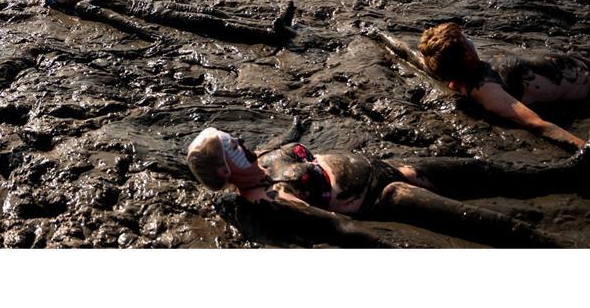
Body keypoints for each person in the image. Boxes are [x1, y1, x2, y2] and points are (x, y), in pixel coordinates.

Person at [185, 122, 589, 248]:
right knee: (482, 219)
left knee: (481, 170)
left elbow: (289, 139)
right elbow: (338, 227)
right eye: (230, 147)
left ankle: (569, 171)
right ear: (224, 172)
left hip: (390, 165)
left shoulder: (263, 160)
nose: (238, 142)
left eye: (231, 137)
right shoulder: (269, 198)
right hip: (384, 195)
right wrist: (389, 248)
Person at [366, 24, 587, 152]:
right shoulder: (489, 91)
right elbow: (536, 124)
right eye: (466, 39)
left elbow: (409, 54)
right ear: (467, 54)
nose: (470, 40)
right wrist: (582, 147)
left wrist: (379, 34)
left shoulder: (442, 67)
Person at [42, 0, 294, 45]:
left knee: (212, 11)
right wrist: (149, 35)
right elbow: (116, 19)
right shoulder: (85, 6)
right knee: (209, 22)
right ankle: (270, 35)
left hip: (160, 4)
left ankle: (270, 23)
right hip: (154, 15)